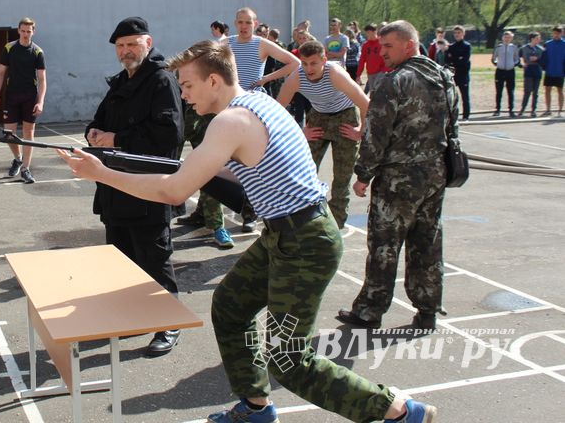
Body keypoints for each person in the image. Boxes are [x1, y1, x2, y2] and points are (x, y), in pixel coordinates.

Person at [58, 39, 437, 423]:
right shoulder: (256, 104)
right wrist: (178, 164)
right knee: (230, 307)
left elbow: (174, 191)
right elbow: (223, 169)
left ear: (214, 82)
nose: (183, 94)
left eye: (187, 85)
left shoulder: (230, 121)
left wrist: (102, 173)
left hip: (305, 240)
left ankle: (400, 411)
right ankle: (256, 407)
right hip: (288, 232)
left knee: (290, 360)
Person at [337, 21, 456, 334]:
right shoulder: (443, 76)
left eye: (388, 46)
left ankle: (369, 311)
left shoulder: (395, 81)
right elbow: (452, 128)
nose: (382, 52)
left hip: (398, 180)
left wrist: (363, 174)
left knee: (384, 245)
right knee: (427, 243)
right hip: (434, 176)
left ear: (409, 45)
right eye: (380, 46)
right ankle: (427, 310)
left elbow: (376, 134)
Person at [85, 16, 184, 355]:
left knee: (155, 258)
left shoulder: (160, 81)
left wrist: (119, 138)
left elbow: (169, 135)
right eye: (121, 46)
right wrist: (93, 133)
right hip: (115, 187)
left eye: (132, 44)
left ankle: (168, 322)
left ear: (148, 43)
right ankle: (129, 318)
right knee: (121, 259)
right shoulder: (120, 83)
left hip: (149, 188)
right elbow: (99, 119)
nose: (126, 51)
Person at [277, 40, 369, 228]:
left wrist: (361, 131)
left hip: (345, 117)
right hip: (318, 117)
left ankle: (336, 224)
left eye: (313, 63)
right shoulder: (297, 77)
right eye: (304, 63)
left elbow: (365, 103)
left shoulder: (335, 74)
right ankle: (304, 216)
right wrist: (300, 131)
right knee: (303, 170)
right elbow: (276, 110)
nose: (308, 68)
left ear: (324, 60)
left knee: (342, 177)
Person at [227, 7, 301, 230]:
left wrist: (266, 78)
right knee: (225, 159)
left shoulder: (262, 44)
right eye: (240, 22)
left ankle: (252, 214)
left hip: (254, 106)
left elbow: (294, 63)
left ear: (255, 23)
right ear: (235, 23)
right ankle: (207, 212)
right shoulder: (226, 43)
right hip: (230, 106)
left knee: (254, 160)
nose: (244, 26)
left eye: (248, 22)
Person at [0, 17, 47, 183]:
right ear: (18, 31)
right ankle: (18, 159)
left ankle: (25, 168)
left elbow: (42, 79)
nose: (25, 34)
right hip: (11, 96)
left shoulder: (38, 52)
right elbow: (1, 72)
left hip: (30, 96)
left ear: (33, 32)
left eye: (28, 31)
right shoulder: (9, 48)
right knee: (9, 134)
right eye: (23, 31)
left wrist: (41, 101)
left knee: (28, 133)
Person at [177, 105, 234, 249]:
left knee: (210, 174)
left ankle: (217, 226)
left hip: (205, 119)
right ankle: (201, 215)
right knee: (167, 168)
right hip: (179, 116)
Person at [491, 30, 519, 117]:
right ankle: (497, 109)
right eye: (505, 37)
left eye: (509, 37)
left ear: (511, 38)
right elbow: (494, 58)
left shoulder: (514, 47)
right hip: (500, 71)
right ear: (503, 38)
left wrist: (513, 64)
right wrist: (497, 63)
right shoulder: (498, 47)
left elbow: (517, 58)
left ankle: (511, 109)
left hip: (510, 71)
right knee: (499, 91)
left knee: (510, 91)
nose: (507, 39)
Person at [446, 25, 471, 121]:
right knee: (450, 96)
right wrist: (456, 59)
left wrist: (454, 59)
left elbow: (464, 60)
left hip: (463, 74)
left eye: (459, 33)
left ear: (463, 34)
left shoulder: (466, 46)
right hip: (453, 75)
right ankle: (451, 116)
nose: (457, 35)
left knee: (465, 96)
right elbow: (448, 60)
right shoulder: (451, 46)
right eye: (455, 33)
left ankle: (466, 116)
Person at [539, 25, 565, 117]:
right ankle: (548, 109)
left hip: (560, 72)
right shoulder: (548, 44)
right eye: (554, 33)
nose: (556, 35)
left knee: (560, 91)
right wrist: (543, 67)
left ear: (562, 33)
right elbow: (543, 57)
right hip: (549, 71)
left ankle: (560, 111)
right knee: (547, 90)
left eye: (558, 33)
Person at [356, 23, 388, 94]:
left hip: (381, 71)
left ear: (375, 32)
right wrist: (358, 74)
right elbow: (362, 60)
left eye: (369, 33)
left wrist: (386, 69)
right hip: (370, 72)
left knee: (379, 91)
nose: (367, 35)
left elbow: (388, 57)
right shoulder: (365, 45)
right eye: (366, 33)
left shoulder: (382, 43)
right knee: (373, 93)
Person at [519, 31, 544, 117]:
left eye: (539, 38)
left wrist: (537, 59)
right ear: (532, 39)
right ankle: (522, 109)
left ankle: (533, 110)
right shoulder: (524, 48)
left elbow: (544, 61)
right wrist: (521, 64)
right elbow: (516, 57)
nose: (539, 40)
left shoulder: (541, 49)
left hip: (537, 70)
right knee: (527, 91)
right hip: (528, 70)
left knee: (535, 92)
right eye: (537, 38)